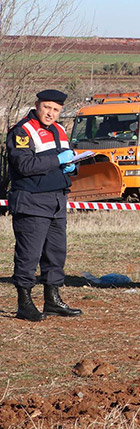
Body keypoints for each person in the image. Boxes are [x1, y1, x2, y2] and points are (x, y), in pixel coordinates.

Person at [4, 89, 82, 321]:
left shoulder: (59, 130)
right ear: (37, 105)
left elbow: (67, 157)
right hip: (31, 200)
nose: (51, 113)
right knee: (29, 254)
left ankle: (52, 299)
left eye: (56, 110)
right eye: (47, 107)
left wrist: (73, 166)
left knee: (55, 253)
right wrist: (57, 160)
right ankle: (24, 303)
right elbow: (24, 165)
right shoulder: (22, 131)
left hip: (57, 199)